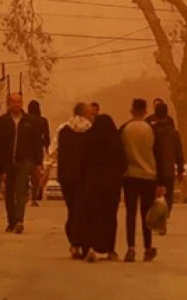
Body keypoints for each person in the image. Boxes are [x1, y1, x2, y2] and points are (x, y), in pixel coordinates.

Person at [0, 93, 46, 233]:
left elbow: (37, 143)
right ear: (9, 104)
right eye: (13, 102)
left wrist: (38, 163)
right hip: (7, 161)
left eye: (18, 102)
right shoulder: (3, 121)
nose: (16, 104)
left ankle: (19, 220)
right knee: (9, 191)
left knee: (21, 190)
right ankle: (11, 221)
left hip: (25, 160)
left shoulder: (30, 121)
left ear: (22, 103)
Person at [76, 113, 126, 263]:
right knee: (110, 216)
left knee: (91, 215)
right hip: (111, 183)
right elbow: (123, 161)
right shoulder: (115, 140)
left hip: (93, 181)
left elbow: (82, 160)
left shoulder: (89, 137)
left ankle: (90, 247)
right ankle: (110, 249)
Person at [120, 98, 163, 262]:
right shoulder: (151, 130)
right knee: (146, 214)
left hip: (130, 175)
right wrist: (161, 181)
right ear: (145, 111)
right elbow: (158, 155)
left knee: (130, 213)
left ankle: (131, 248)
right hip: (149, 176)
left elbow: (119, 153)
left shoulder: (125, 129)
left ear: (132, 110)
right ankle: (147, 247)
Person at [57, 102, 93, 258]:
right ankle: (82, 243)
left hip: (66, 176)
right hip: (84, 177)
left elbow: (55, 151)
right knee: (83, 210)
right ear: (85, 114)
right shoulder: (91, 130)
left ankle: (74, 243)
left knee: (72, 208)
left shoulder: (63, 129)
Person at [149, 101, 185, 213]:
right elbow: (179, 153)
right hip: (168, 171)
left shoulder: (150, 131)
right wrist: (180, 170)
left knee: (152, 196)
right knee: (168, 196)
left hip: (152, 170)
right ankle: (165, 215)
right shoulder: (173, 133)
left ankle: (154, 218)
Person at [26, 100, 52, 206]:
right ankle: (34, 198)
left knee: (24, 173)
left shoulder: (25, 119)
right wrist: (47, 149)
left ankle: (25, 195)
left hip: (25, 149)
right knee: (35, 174)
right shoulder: (43, 120)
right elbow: (46, 136)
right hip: (37, 150)